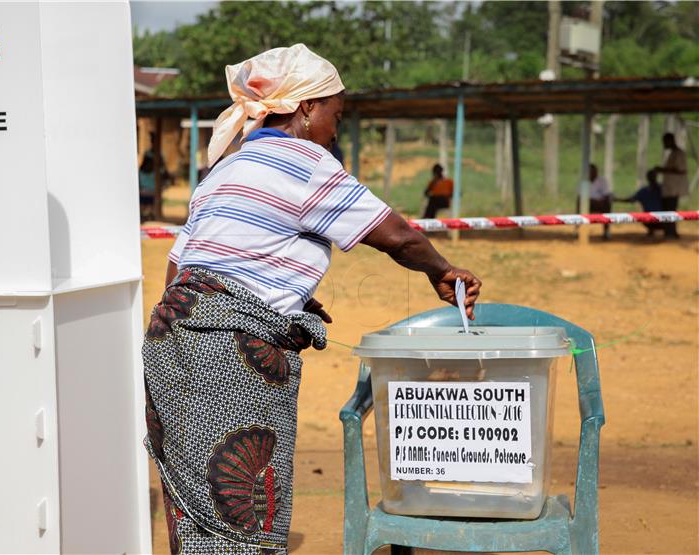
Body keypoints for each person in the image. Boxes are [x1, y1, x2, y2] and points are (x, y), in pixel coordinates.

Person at [141, 44, 481, 555]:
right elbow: (396, 236)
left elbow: (183, 270)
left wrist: (284, 300)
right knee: (240, 502)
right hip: (228, 351)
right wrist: (443, 270)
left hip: (169, 343)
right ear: (305, 108)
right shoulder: (305, 161)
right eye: (334, 115)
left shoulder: (225, 169)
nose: (335, 130)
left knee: (194, 504)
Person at [655, 132, 689, 239]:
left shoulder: (679, 153)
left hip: (674, 188)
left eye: (665, 142)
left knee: (670, 210)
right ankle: (669, 231)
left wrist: (662, 170)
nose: (664, 144)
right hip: (669, 188)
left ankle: (671, 233)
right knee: (668, 209)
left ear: (670, 141)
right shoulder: (672, 153)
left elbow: (680, 170)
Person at [614, 169, 663, 237]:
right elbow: (631, 199)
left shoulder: (661, 189)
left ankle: (664, 231)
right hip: (649, 219)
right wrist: (617, 199)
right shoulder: (645, 191)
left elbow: (630, 199)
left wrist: (617, 199)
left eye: (653, 176)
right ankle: (651, 230)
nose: (652, 178)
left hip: (662, 219)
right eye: (651, 176)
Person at [577, 164, 612, 240]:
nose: (592, 173)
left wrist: (599, 202)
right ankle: (579, 230)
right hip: (587, 204)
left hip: (600, 204)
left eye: (593, 171)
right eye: (590, 171)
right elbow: (580, 197)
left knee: (607, 204)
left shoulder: (602, 181)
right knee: (580, 203)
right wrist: (591, 201)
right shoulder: (583, 182)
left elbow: (606, 195)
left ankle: (606, 231)